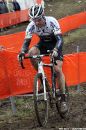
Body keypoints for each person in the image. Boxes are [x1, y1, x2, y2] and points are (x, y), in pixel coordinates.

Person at [18, 4, 68, 113]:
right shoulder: (31, 25)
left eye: (38, 19)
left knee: (57, 70)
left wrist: (55, 50)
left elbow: (60, 39)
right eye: (34, 20)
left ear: (43, 15)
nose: (36, 22)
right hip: (43, 44)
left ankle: (63, 99)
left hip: (55, 44)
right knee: (31, 52)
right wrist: (22, 52)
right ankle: (42, 78)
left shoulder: (52, 21)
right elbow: (26, 42)